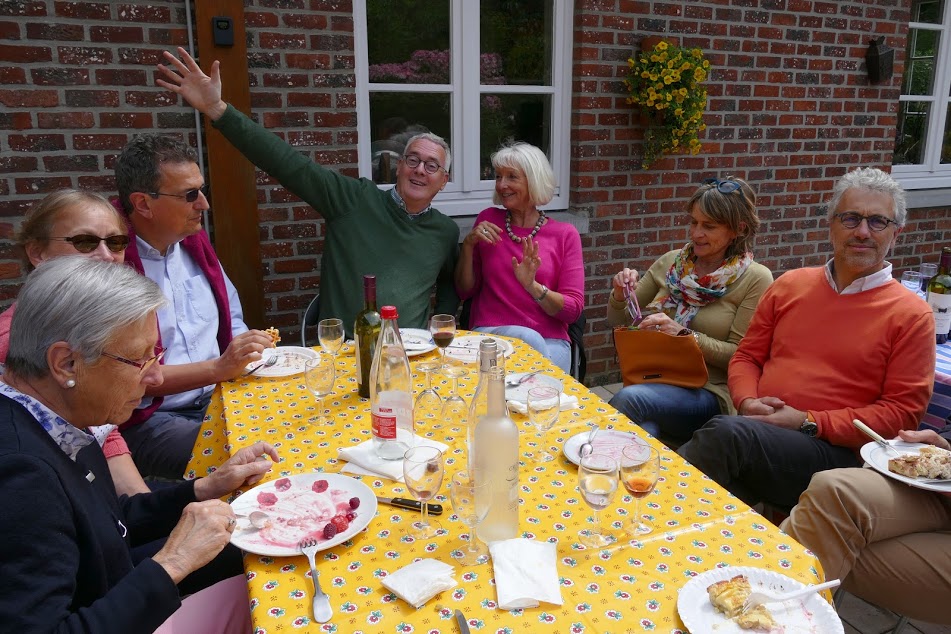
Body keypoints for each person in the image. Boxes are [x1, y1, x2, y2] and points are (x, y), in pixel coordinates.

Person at [0, 257, 278, 633]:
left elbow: (110, 523)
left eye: (155, 355)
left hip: (118, 589)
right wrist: (173, 563)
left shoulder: (57, 419)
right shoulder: (20, 474)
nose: (157, 376)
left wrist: (205, 487)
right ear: (66, 364)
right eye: (139, 358)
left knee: (259, 547)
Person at [677, 167, 935, 509]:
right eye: (851, 218)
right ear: (831, 225)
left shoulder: (912, 315)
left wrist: (809, 421)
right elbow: (747, 357)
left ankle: (647, 513)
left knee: (725, 437)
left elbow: (901, 415)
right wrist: (747, 400)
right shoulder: (790, 285)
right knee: (718, 480)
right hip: (761, 435)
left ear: (896, 233)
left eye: (877, 222)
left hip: (838, 455)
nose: (862, 231)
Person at [155, 47, 459, 336]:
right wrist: (219, 111)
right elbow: (289, 164)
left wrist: (440, 327)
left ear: (444, 180)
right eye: (413, 160)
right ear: (399, 166)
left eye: (431, 166)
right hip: (346, 353)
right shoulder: (354, 200)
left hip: (413, 354)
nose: (420, 170)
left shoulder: (444, 232)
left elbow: (449, 285)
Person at [114, 133, 273, 480]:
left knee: (296, 422)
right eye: (189, 195)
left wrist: (247, 350)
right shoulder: (113, 265)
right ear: (143, 204)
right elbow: (127, 378)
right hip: (152, 418)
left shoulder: (194, 246)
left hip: (223, 395)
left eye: (201, 190)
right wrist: (219, 368)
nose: (204, 204)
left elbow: (232, 319)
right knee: (247, 456)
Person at [0, 188, 150, 496]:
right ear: (37, 253)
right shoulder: (11, 341)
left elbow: (102, 432)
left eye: (116, 242)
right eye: (85, 242)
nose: (107, 256)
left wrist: (149, 507)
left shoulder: (101, 317)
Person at [606, 177, 772, 441]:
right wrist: (619, 293)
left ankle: (594, 457)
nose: (696, 233)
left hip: (709, 392)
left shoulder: (756, 279)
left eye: (709, 226)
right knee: (645, 431)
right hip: (657, 378)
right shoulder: (672, 263)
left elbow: (740, 356)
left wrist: (684, 335)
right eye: (694, 222)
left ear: (738, 229)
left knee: (631, 399)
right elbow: (619, 321)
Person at [781, 426, 951, 625]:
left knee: (813, 534)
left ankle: (772, 620)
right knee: (835, 492)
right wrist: (944, 446)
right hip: (939, 489)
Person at [455, 142, 583, 373]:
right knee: (528, 340)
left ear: (533, 181)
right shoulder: (488, 221)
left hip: (551, 341)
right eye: (498, 176)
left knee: (534, 350)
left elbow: (572, 310)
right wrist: (468, 246)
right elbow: (465, 291)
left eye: (512, 177)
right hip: (491, 334)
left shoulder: (565, 235)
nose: (501, 184)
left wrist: (532, 287)